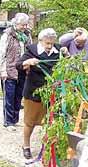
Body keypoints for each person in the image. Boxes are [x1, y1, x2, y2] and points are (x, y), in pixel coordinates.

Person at [16, 28, 60, 159]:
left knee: (51, 121)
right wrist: (27, 62)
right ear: (40, 41)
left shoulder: (59, 50)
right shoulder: (31, 50)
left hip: (52, 94)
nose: (50, 46)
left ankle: (48, 146)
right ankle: (26, 146)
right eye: (47, 43)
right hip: (34, 93)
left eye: (52, 43)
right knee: (30, 122)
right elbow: (18, 65)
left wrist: (66, 54)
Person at [0, 13, 32, 131]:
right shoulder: (8, 35)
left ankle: (15, 120)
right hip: (9, 70)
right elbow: (1, 53)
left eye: (26, 24)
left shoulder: (27, 35)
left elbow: (30, 51)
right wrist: (2, 70)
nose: (25, 27)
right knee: (9, 96)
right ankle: (8, 122)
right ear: (16, 23)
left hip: (22, 70)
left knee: (18, 96)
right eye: (23, 25)